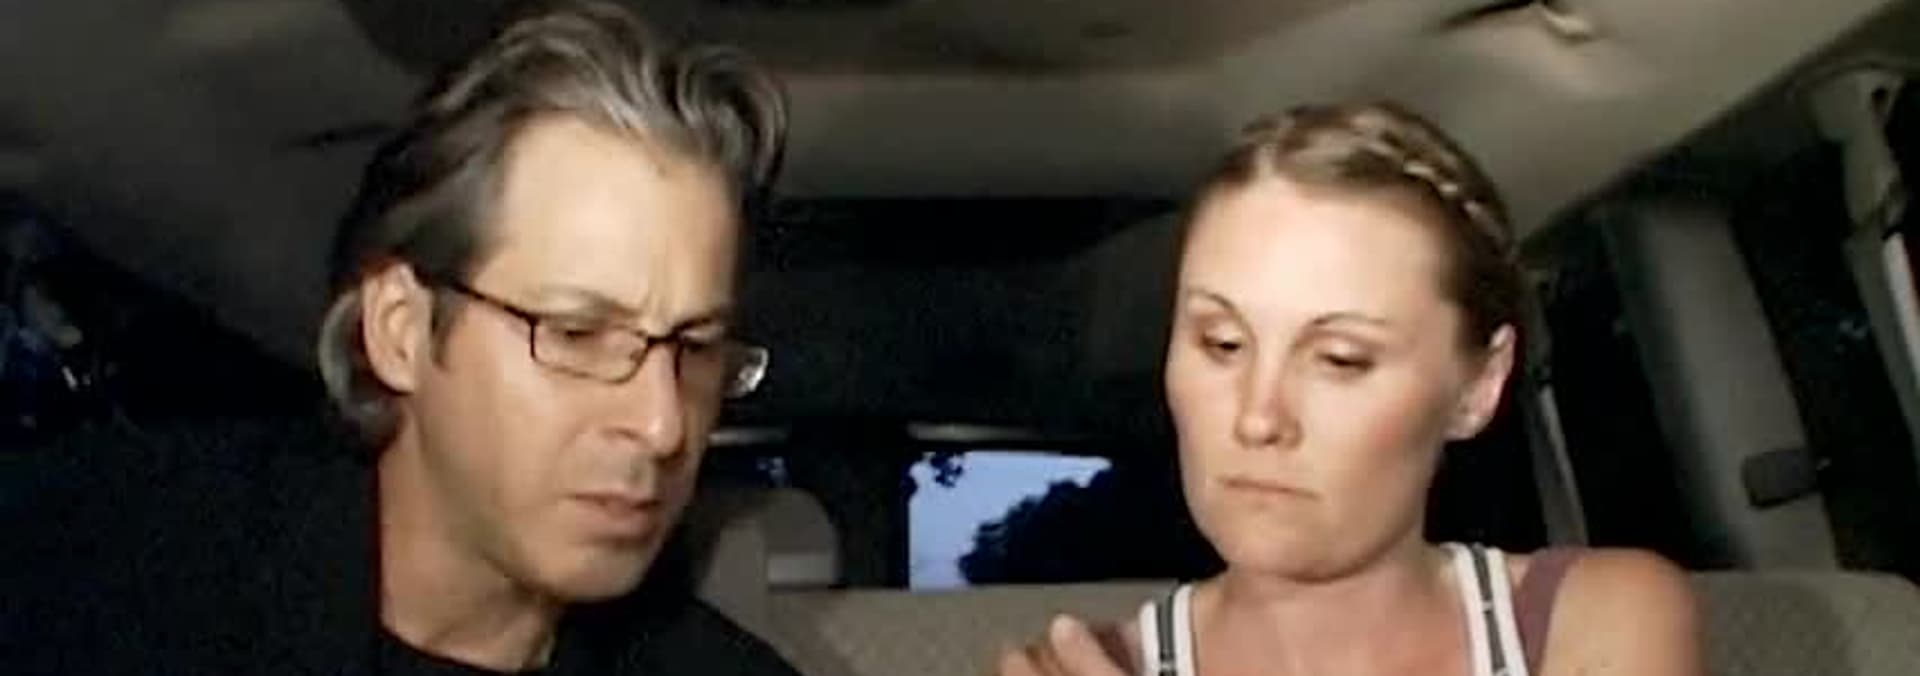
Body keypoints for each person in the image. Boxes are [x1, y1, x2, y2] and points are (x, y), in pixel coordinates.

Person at [1, 1, 802, 674]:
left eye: (694, 349)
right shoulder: (93, 574)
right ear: (401, 331)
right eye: (578, 333)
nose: (662, 425)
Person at [997, 102, 1701, 676]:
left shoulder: (1595, 621)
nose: (1258, 418)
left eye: (1340, 359)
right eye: (1223, 344)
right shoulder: (1081, 669)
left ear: (1479, 385)